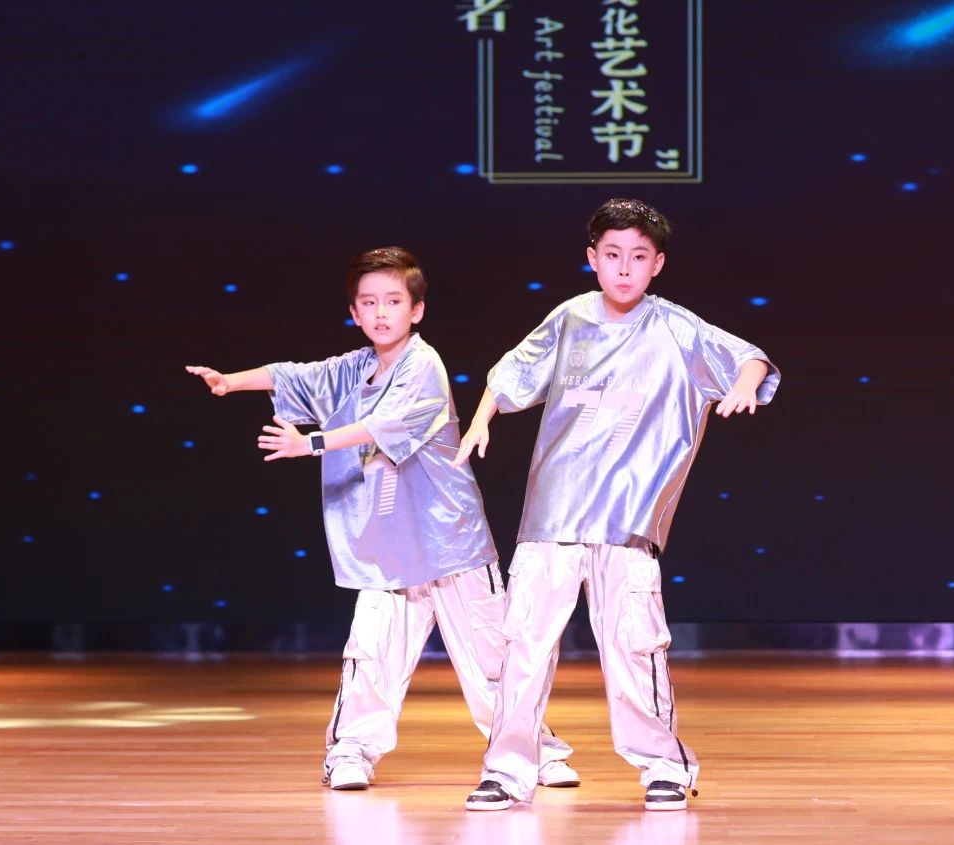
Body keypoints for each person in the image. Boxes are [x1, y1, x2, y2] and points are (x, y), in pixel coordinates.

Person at [185, 246, 577, 792]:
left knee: (494, 656)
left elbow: (382, 425)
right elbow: (294, 376)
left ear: (416, 309)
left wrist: (311, 443)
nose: (380, 312)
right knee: (370, 655)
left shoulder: (424, 365)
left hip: (451, 540)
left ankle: (534, 748)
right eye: (368, 302)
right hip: (387, 545)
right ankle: (351, 752)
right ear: (354, 312)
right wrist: (231, 381)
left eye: (393, 301)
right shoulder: (355, 368)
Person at [452, 200, 780, 811]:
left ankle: (663, 766)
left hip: (627, 518)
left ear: (657, 264)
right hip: (553, 512)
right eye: (612, 255)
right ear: (592, 258)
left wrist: (741, 384)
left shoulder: (675, 327)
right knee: (524, 645)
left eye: (637, 257)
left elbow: (751, 357)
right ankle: (508, 770)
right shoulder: (570, 317)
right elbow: (510, 373)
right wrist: (479, 422)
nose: (624, 269)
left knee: (634, 645)